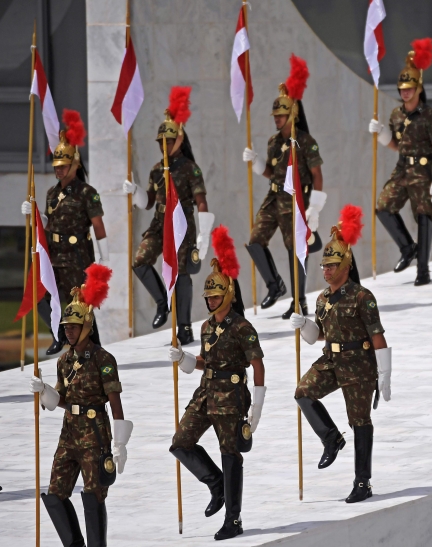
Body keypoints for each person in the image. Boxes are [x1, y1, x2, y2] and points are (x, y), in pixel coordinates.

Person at [168, 226, 265, 540]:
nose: (210, 301)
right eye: (207, 296)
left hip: (232, 396)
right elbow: (204, 362)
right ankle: (214, 483)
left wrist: (257, 407)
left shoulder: (242, 327)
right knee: (181, 442)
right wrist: (184, 359)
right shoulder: (207, 328)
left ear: (228, 295)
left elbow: (257, 364)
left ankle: (233, 520)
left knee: (230, 454)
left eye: (215, 295)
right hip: (206, 393)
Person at [290, 205, 391, 502]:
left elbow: (377, 335)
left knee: (359, 421)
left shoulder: (362, 297)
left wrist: (384, 373)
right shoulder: (322, 298)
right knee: (303, 392)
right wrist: (304, 324)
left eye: (332, 265)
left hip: (358, 364)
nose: (326, 270)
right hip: (332, 359)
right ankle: (330, 438)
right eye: (323, 266)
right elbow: (318, 335)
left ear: (346, 266)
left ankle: (363, 482)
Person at [29, 265, 133, 547]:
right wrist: (45, 392)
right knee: (54, 493)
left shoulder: (103, 359)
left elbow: (115, 400)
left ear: (86, 326)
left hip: (95, 433)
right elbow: (62, 399)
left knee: (93, 495)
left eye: (73, 327)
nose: (69, 333)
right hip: (69, 433)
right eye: (66, 328)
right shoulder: (63, 361)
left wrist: (120, 444)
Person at [124, 87, 214, 345]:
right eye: (161, 142)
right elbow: (150, 202)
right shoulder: (155, 170)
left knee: (182, 273)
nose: (164, 146)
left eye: (168, 141)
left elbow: (201, 201)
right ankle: (163, 302)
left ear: (179, 140)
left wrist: (203, 237)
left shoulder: (189, 168)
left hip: (182, 224)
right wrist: (136, 191)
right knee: (140, 261)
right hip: (159, 223)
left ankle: (184, 327)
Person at [21, 110, 108, 355]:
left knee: (82, 305)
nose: (58, 171)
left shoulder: (86, 192)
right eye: (56, 166)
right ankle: (59, 335)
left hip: (78, 255)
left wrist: (103, 259)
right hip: (54, 254)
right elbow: (48, 223)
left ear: (75, 164)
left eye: (64, 166)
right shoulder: (51, 193)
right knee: (42, 297)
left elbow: (98, 226)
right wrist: (34, 214)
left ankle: (95, 348)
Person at [242, 78, 326, 318]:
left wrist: (314, 208)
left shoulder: (306, 142)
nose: (276, 119)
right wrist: (257, 163)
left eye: (280, 115)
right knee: (255, 241)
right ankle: (274, 284)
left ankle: (299, 303)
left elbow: (317, 174)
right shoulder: (273, 141)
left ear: (292, 114)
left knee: (296, 250)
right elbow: (271, 171)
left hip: (296, 199)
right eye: (275, 115)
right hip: (274, 196)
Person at [370, 38, 432, 286]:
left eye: (409, 88)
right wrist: (383, 134)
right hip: (403, 167)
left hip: (423, 170)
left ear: (418, 88)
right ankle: (407, 248)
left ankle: (423, 271)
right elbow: (396, 144)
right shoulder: (396, 114)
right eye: (402, 88)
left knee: (424, 215)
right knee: (383, 207)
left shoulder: (430, 116)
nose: (404, 92)